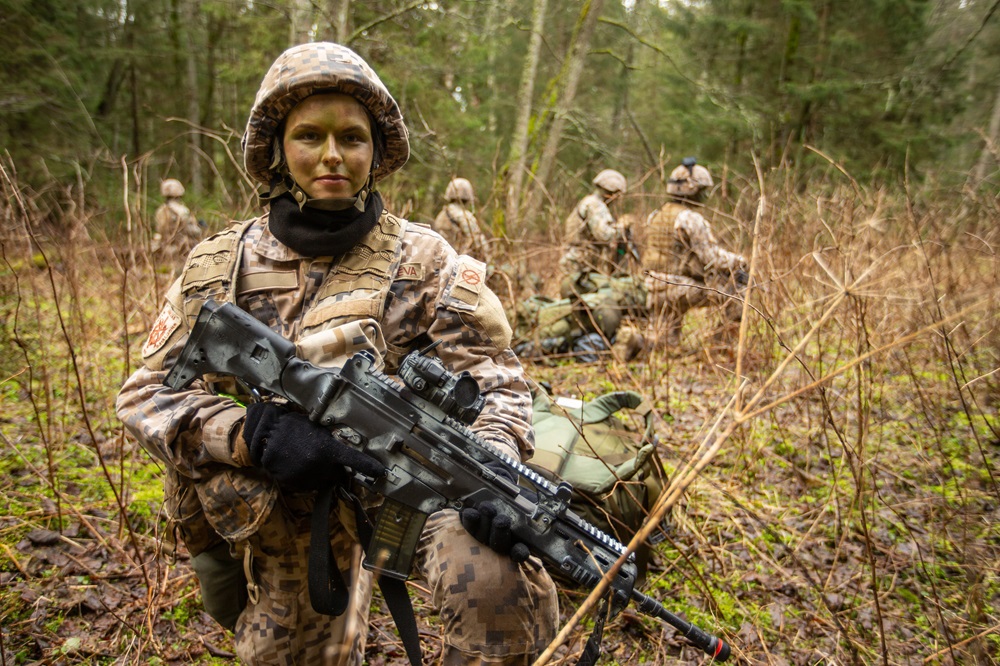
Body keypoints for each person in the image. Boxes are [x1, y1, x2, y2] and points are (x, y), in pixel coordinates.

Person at [117, 42, 557, 666]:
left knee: (497, 576)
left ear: (376, 151)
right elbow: (145, 396)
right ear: (276, 149)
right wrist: (246, 435)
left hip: (408, 482)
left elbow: (496, 384)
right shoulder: (218, 266)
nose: (332, 155)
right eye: (309, 136)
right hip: (285, 499)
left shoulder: (425, 260)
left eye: (352, 137)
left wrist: (493, 465)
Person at [642, 157, 748, 346]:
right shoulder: (689, 218)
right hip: (677, 287)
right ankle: (721, 346)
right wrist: (740, 261)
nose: (704, 196)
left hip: (652, 286)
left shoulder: (656, 215)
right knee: (737, 292)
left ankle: (636, 342)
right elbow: (712, 258)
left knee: (661, 344)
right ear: (692, 190)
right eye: (702, 190)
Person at [559, 168, 629, 299]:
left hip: (581, 262)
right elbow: (605, 235)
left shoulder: (591, 202)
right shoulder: (595, 205)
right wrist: (622, 227)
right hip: (580, 264)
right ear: (611, 193)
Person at [432, 177, 492, 261]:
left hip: (441, 261)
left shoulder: (441, 215)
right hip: (461, 261)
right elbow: (478, 242)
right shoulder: (465, 216)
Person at [152, 178, 203, 268]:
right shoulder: (181, 210)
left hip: (165, 246)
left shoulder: (160, 210)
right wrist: (199, 228)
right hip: (181, 249)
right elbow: (193, 231)